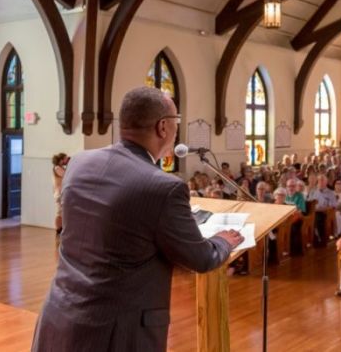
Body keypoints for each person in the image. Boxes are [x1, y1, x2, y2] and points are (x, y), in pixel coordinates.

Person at [32, 87, 243, 351]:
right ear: (163, 127)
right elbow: (200, 258)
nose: (176, 130)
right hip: (116, 334)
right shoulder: (163, 187)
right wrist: (223, 241)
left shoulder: (80, 163)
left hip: (59, 316)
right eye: (176, 122)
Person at [52, 152, 69, 236]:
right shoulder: (57, 168)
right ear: (62, 160)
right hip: (59, 193)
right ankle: (58, 229)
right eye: (66, 159)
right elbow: (66, 175)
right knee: (59, 212)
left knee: (62, 212)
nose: (67, 160)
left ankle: (61, 228)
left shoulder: (61, 167)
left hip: (61, 192)